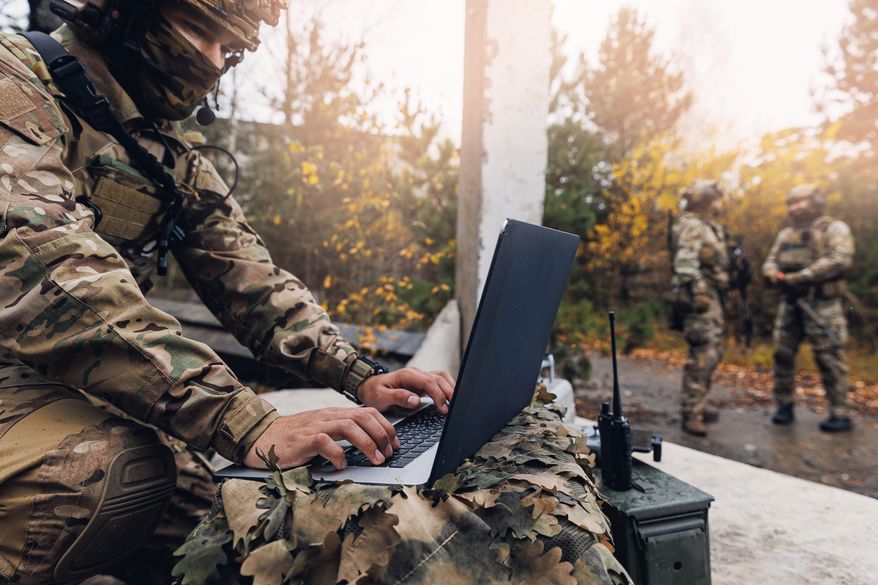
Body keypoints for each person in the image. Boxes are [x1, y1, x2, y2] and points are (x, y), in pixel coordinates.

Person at [0, 1, 455, 581]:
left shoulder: (163, 148)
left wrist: (358, 374)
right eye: (199, 32)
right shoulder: (16, 83)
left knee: (223, 523)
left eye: (229, 49)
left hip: (57, 380)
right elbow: (48, 270)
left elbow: (249, 277)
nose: (213, 62)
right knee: (96, 473)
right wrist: (244, 421)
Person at [762, 184, 855, 432]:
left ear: (815, 202)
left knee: (829, 357)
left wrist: (800, 277)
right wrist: (773, 274)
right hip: (790, 304)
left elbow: (839, 259)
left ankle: (840, 412)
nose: (795, 207)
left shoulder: (833, 228)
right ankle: (784, 406)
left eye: (800, 201)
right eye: (791, 203)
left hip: (823, 304)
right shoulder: (786, 234)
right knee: (782, 354)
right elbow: (770, 261)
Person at [670, 180, 730, 437]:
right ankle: (692, 412)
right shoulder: (693, 225)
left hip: (711, 296)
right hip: (701, 298)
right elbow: (685, 262)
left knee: (712, 352)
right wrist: (700, 290)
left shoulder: (709, 226)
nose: (720, 203)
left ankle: (699, 404)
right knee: (702, 353)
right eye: (717, 198)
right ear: (708, 200)